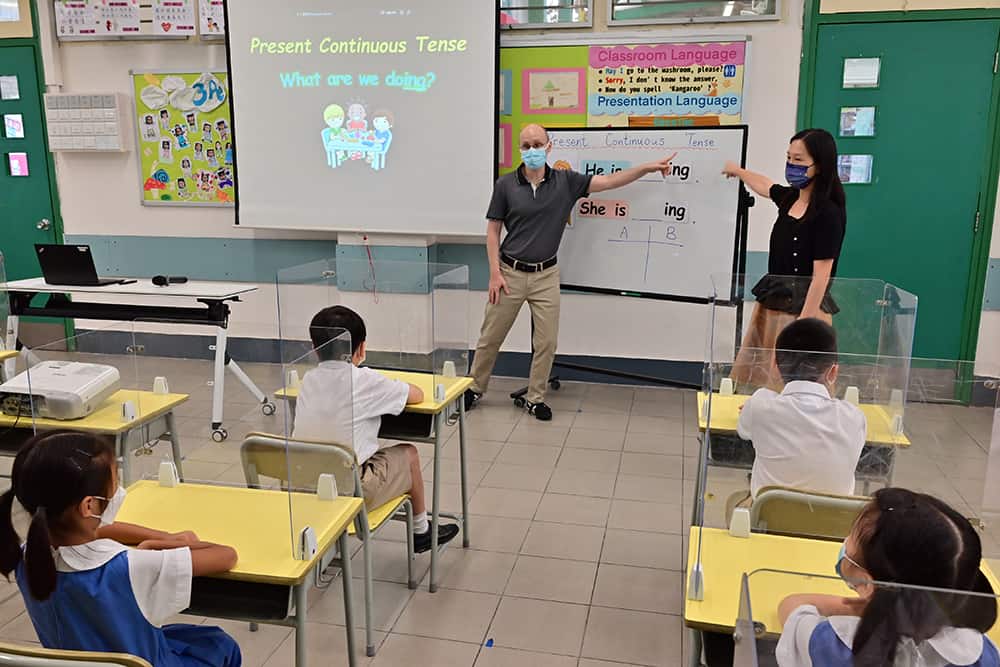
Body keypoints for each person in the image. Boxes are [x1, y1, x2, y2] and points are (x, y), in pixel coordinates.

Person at [465, 123, 677, 420]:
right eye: (526, 145)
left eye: (537, 144)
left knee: (547, 342)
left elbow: (610, 182)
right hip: (509, 273)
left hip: (546, 275)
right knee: (491, 336)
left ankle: (535, 397)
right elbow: (492, 230)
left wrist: (647, 168)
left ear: (549, 147)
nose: (532, 150)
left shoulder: (566, 181)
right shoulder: (505, 185)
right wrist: (494, 273)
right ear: (520, 150)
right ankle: (475, 388)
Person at [0, 430, 241, 666]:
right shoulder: (129, 566)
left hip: (79, 659)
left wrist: (164, 536)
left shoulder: (27, 555)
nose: (118, 490)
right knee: (220, 645)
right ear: (89, 506)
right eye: (115, 481)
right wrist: (160, 545)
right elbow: (226, 555)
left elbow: (100, 530)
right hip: (145, 660)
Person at [293, 305, 460, 552]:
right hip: (350, 489)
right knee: (410, 454)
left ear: (314, 348)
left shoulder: (308, 380)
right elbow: (416, 394)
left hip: (301, 486)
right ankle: (421, 530)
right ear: (361, 347)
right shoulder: (365, 380)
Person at [777, 487, 999, 666]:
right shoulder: (983, 655)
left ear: (867, 584)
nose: (845, 542)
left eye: (851, 538)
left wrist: (862, 608)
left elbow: (793, 606)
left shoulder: (835, 646)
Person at [722, 128, 847, 388]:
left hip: (804, 312)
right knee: (763, 379)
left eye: (799, 160)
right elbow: (765, 185)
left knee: (797, 383)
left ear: (820, 165)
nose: (791, 165)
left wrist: (801, 329)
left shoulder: (828, 214)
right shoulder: (789, 198)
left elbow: (821, 277)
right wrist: (739, 171)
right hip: (773, 304)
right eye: (789, 158)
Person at [736, 317, 866, 501]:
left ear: (775, 366)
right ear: (833, 372)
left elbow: (744, 430)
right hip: (832, 527)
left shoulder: (760, 405)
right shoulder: (854, 417)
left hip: (767, 525)